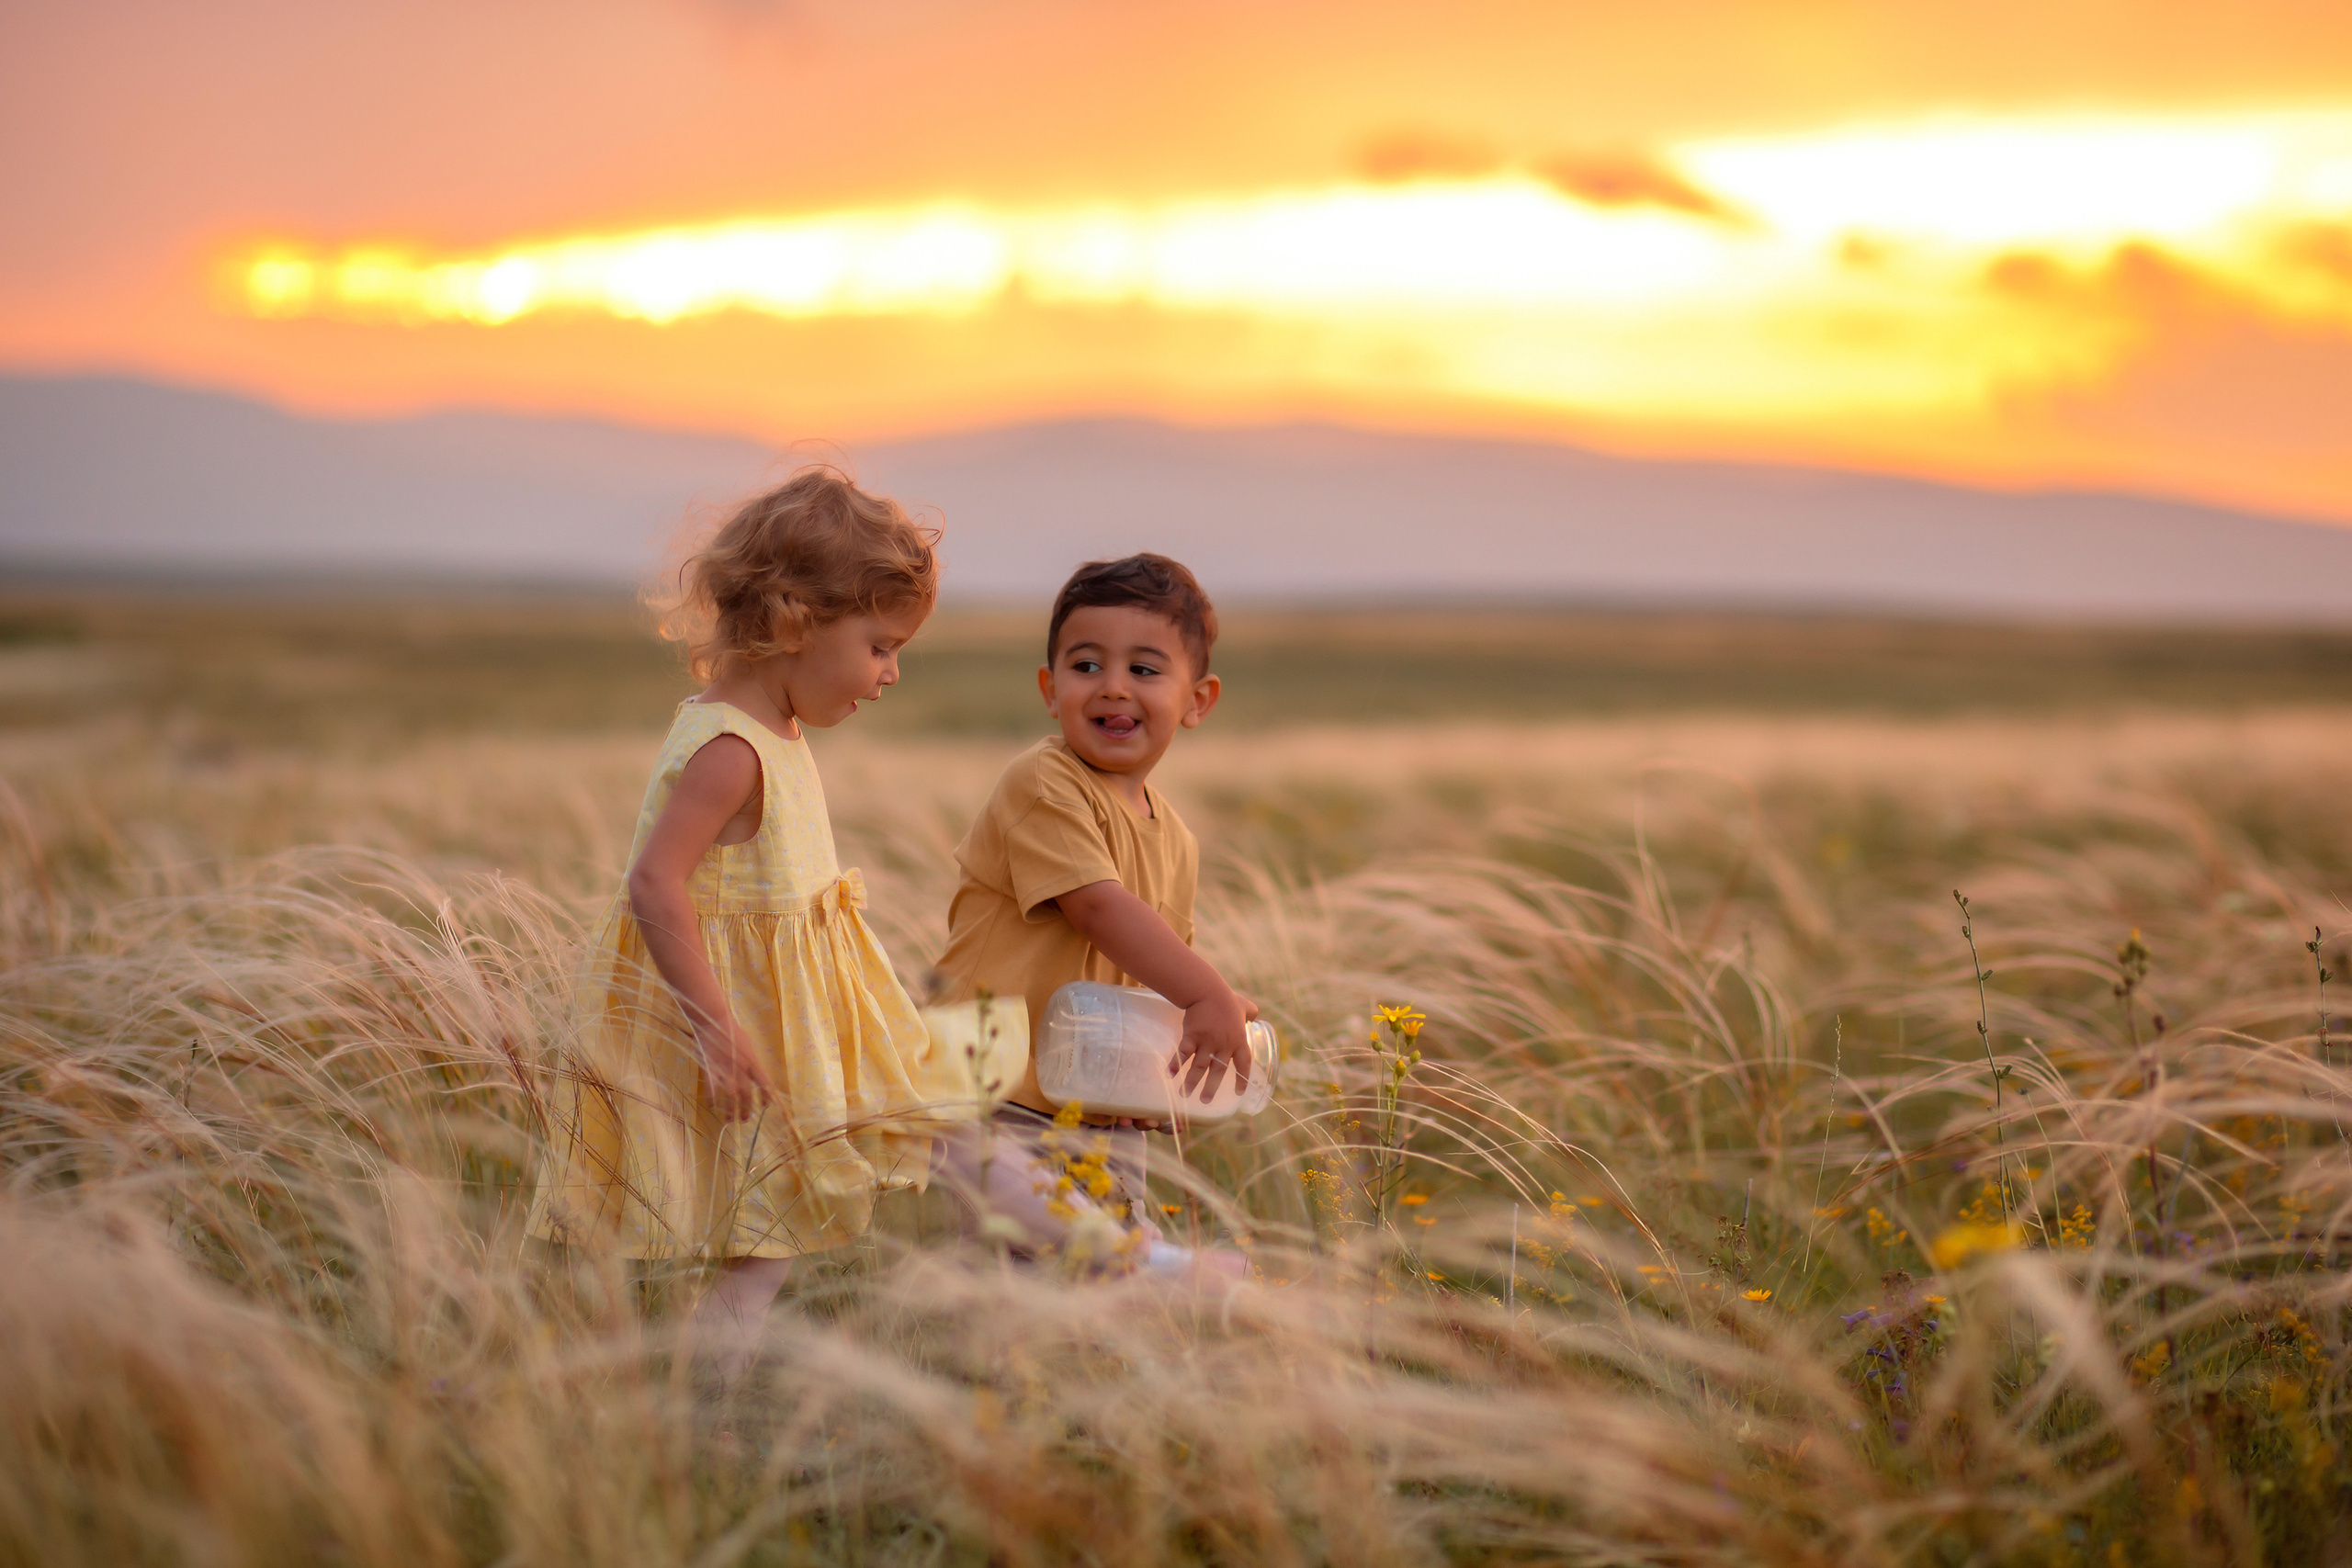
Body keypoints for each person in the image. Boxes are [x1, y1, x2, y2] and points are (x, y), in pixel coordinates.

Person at [529, 466, 958, 1352]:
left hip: (771, 1017)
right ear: (796, 621)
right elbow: (655, 883)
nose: (889, 674)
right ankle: (703, 1394)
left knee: (761, 1221)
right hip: (725, 1019)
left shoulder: (774, 731)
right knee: (758, 1223)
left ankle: (687, 1379)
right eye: (879, 644)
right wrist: (716, 1028)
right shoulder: (731, 749)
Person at [930, 552, 1253, 1273]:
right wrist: (1206, 991)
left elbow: (1145, 971)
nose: (1112, 687)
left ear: (1197, 700)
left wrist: (1201, 1012)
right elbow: (1098, 908)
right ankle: (1162, 1273)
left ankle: (1164, 1291)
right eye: (1085, 666)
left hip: (1098, 1103)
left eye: (1144, 669)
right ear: (1050, 688)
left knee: (1092, 1304)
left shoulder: (1175, 837)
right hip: (997, 1085)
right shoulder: (1044, 782)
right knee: (1012, 1271)